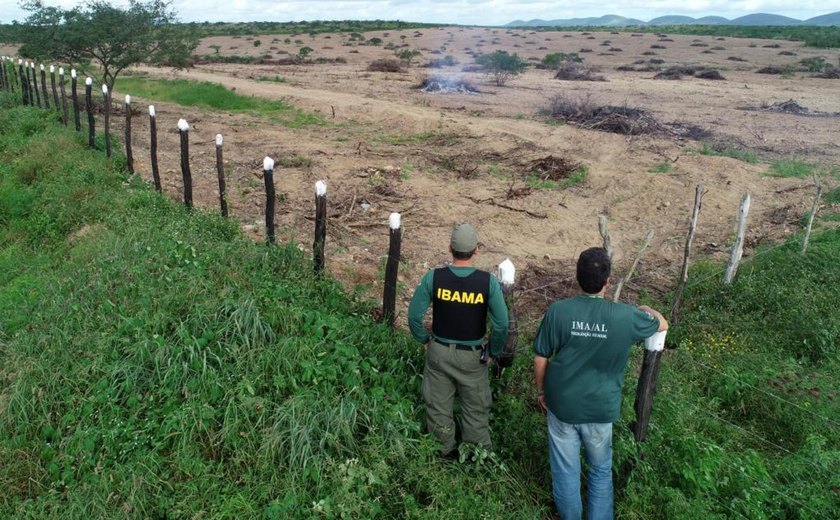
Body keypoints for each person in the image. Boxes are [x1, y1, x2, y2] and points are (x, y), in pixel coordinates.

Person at [533, 247, 668, 520]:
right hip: (600, 408)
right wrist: (645, 308)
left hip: (562, 403)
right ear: (608, 281)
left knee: (565, 470)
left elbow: (541, 356)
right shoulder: (626, 316)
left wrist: (541, 391)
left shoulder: (558, 311)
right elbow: (662, 324)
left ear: (577, 277)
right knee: (600, 470)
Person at [408, 223, 509, 458]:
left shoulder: (434, 277)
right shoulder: (488, 282)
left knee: (438, 408)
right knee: (475, 409)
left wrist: (424, 340)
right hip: (473, 357)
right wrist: (492, 351)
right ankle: (476, 456)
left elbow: (414, 315)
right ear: (476, 250)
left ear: (449, 248)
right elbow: (502, 324)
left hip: (439, 352)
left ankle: (444, 454)